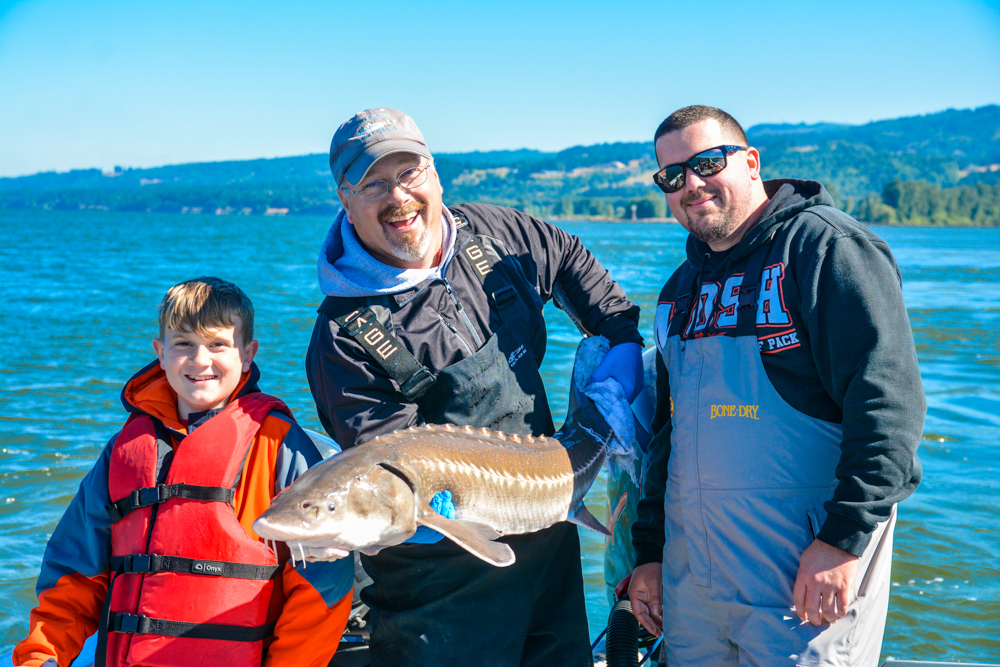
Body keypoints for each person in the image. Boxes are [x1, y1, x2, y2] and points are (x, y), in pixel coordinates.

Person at [305, 107, 644, 666]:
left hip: (549, 540)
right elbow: (387, 463)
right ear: (345, 197)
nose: (398, 196)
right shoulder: (343, 336)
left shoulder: (493, 233)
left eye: (409, 173)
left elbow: (567, 259)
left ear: (435, 174)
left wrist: (618, 335)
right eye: (374, 183)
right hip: (442, 587)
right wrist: (426, 515)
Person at [627, 106, 925, 666]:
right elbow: (668, 435)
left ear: (750, 162)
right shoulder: (677, 293)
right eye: (671, 176)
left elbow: (889, 405)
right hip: (695, 593)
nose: (690, 184)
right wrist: (651, 553)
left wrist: (843, 540)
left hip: (803, 585)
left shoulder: (826, 251)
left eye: (705, 162)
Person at [14, 277, 353, 667]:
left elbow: (322, 584)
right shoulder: (123, 451)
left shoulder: (278, 446)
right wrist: (40, 656)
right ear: (160, 353)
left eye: (218, 344)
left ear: (248, 353)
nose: (200, 360)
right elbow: (74, 570)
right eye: (183, 344)